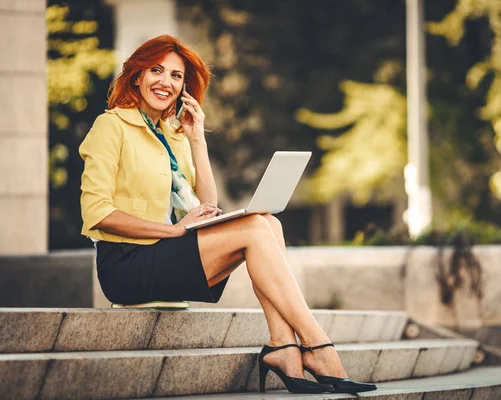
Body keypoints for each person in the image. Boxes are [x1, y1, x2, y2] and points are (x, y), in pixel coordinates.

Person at [79, 34, 376, 394]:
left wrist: (197, 139)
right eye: (156, 70)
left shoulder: (172, 136)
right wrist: (172, 232)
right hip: (127, 263)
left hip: (164, 256)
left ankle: (283, 346)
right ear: (137, 75)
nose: (165, 82)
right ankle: (317, 345)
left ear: (184, 86)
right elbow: (97, 213)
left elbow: (203, 204)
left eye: (176, 76)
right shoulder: (111, 126)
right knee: (254, 227)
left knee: (267, 222)